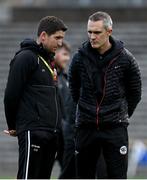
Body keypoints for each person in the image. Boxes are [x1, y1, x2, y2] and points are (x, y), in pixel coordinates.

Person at [68, 11, 141, 179]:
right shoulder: (79, 58)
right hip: (86, 127)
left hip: (115, 127)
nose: (92, 36)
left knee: (117, 176)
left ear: (109, 32)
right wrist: (87, 111)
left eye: (97, 32)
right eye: (89, 32)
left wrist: (119, 113)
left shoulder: (126, 59)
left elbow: (135, 92)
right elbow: (74, 89)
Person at [4, 16, 67, 179]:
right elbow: (11, 94)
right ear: (43, 36)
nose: (60, 43)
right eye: (57, 38)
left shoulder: (49, 62)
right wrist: (13, 125)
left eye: (62, 38)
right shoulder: (25, 57)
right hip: (33, 130)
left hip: (51, 133)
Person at [54, 42, 76, 178]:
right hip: (52, 135)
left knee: (71, 173)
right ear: (55, 53)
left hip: (65, 137)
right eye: (64, 54)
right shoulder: (47, 76)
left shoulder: (66, 79)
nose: (67, 58)